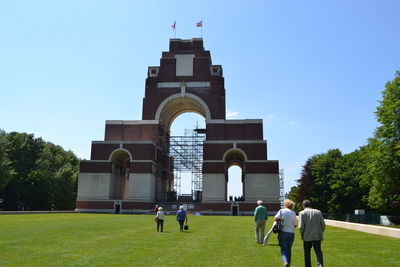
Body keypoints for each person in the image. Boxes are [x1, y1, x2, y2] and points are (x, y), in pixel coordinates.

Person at [299, 200, 325, 267]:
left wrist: (302, 235)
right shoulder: (318, 212)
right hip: (317, 235)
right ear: (310, 205)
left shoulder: (302, 213)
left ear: (303, 205)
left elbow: (301, 227)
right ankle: (320, 264)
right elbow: (323, 224)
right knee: (318, 251)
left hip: (307, 236)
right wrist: (321, 232)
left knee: (307, 252)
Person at [275, 199, 298, 267]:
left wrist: (281, 220)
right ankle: (289, 264)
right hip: (291, 233)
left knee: (283, 249)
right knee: (289, 249)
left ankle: (285, 262)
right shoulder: (293, 213)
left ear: (285, 204)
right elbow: (295, 225)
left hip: (283, 232)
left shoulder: (281, 211)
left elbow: (275, 218)